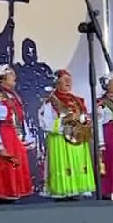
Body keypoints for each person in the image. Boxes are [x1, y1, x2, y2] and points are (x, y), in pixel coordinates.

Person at [39, 69, 96, 200]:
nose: (68, 82)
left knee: (78, 166)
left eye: (70, 79)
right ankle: (63, 193)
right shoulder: (51, 101)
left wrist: (84, 122)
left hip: (77, 139)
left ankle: (76, 191)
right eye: (65, 79)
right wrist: (63, 122)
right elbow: (45, 123)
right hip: (60, 140)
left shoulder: (77, 100)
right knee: (63, 167)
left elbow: (84, 117)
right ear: (56, 82)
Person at [0, 64, 35, 204]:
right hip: (3, 135)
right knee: (6, 166)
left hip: (14, 135)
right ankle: (2, 200)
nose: (15, 76)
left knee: (15, 166)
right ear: (2, 77)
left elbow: (20, 117)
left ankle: (14, 199)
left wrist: (26, 136)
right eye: (11, 74)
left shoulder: (13, 95)